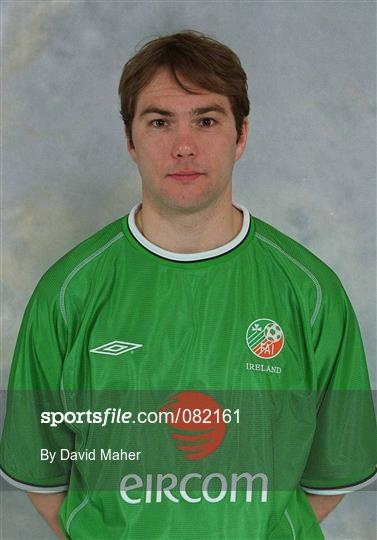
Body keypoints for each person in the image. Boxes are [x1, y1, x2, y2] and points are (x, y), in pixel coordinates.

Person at [1, 29, 376, 540]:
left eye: (206, 119)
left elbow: (336, 470)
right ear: (130, 140)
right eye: (159, 122)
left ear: (241, 135)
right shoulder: (68, 293)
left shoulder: (310, 292)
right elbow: (39, 471)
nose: (183, 146)